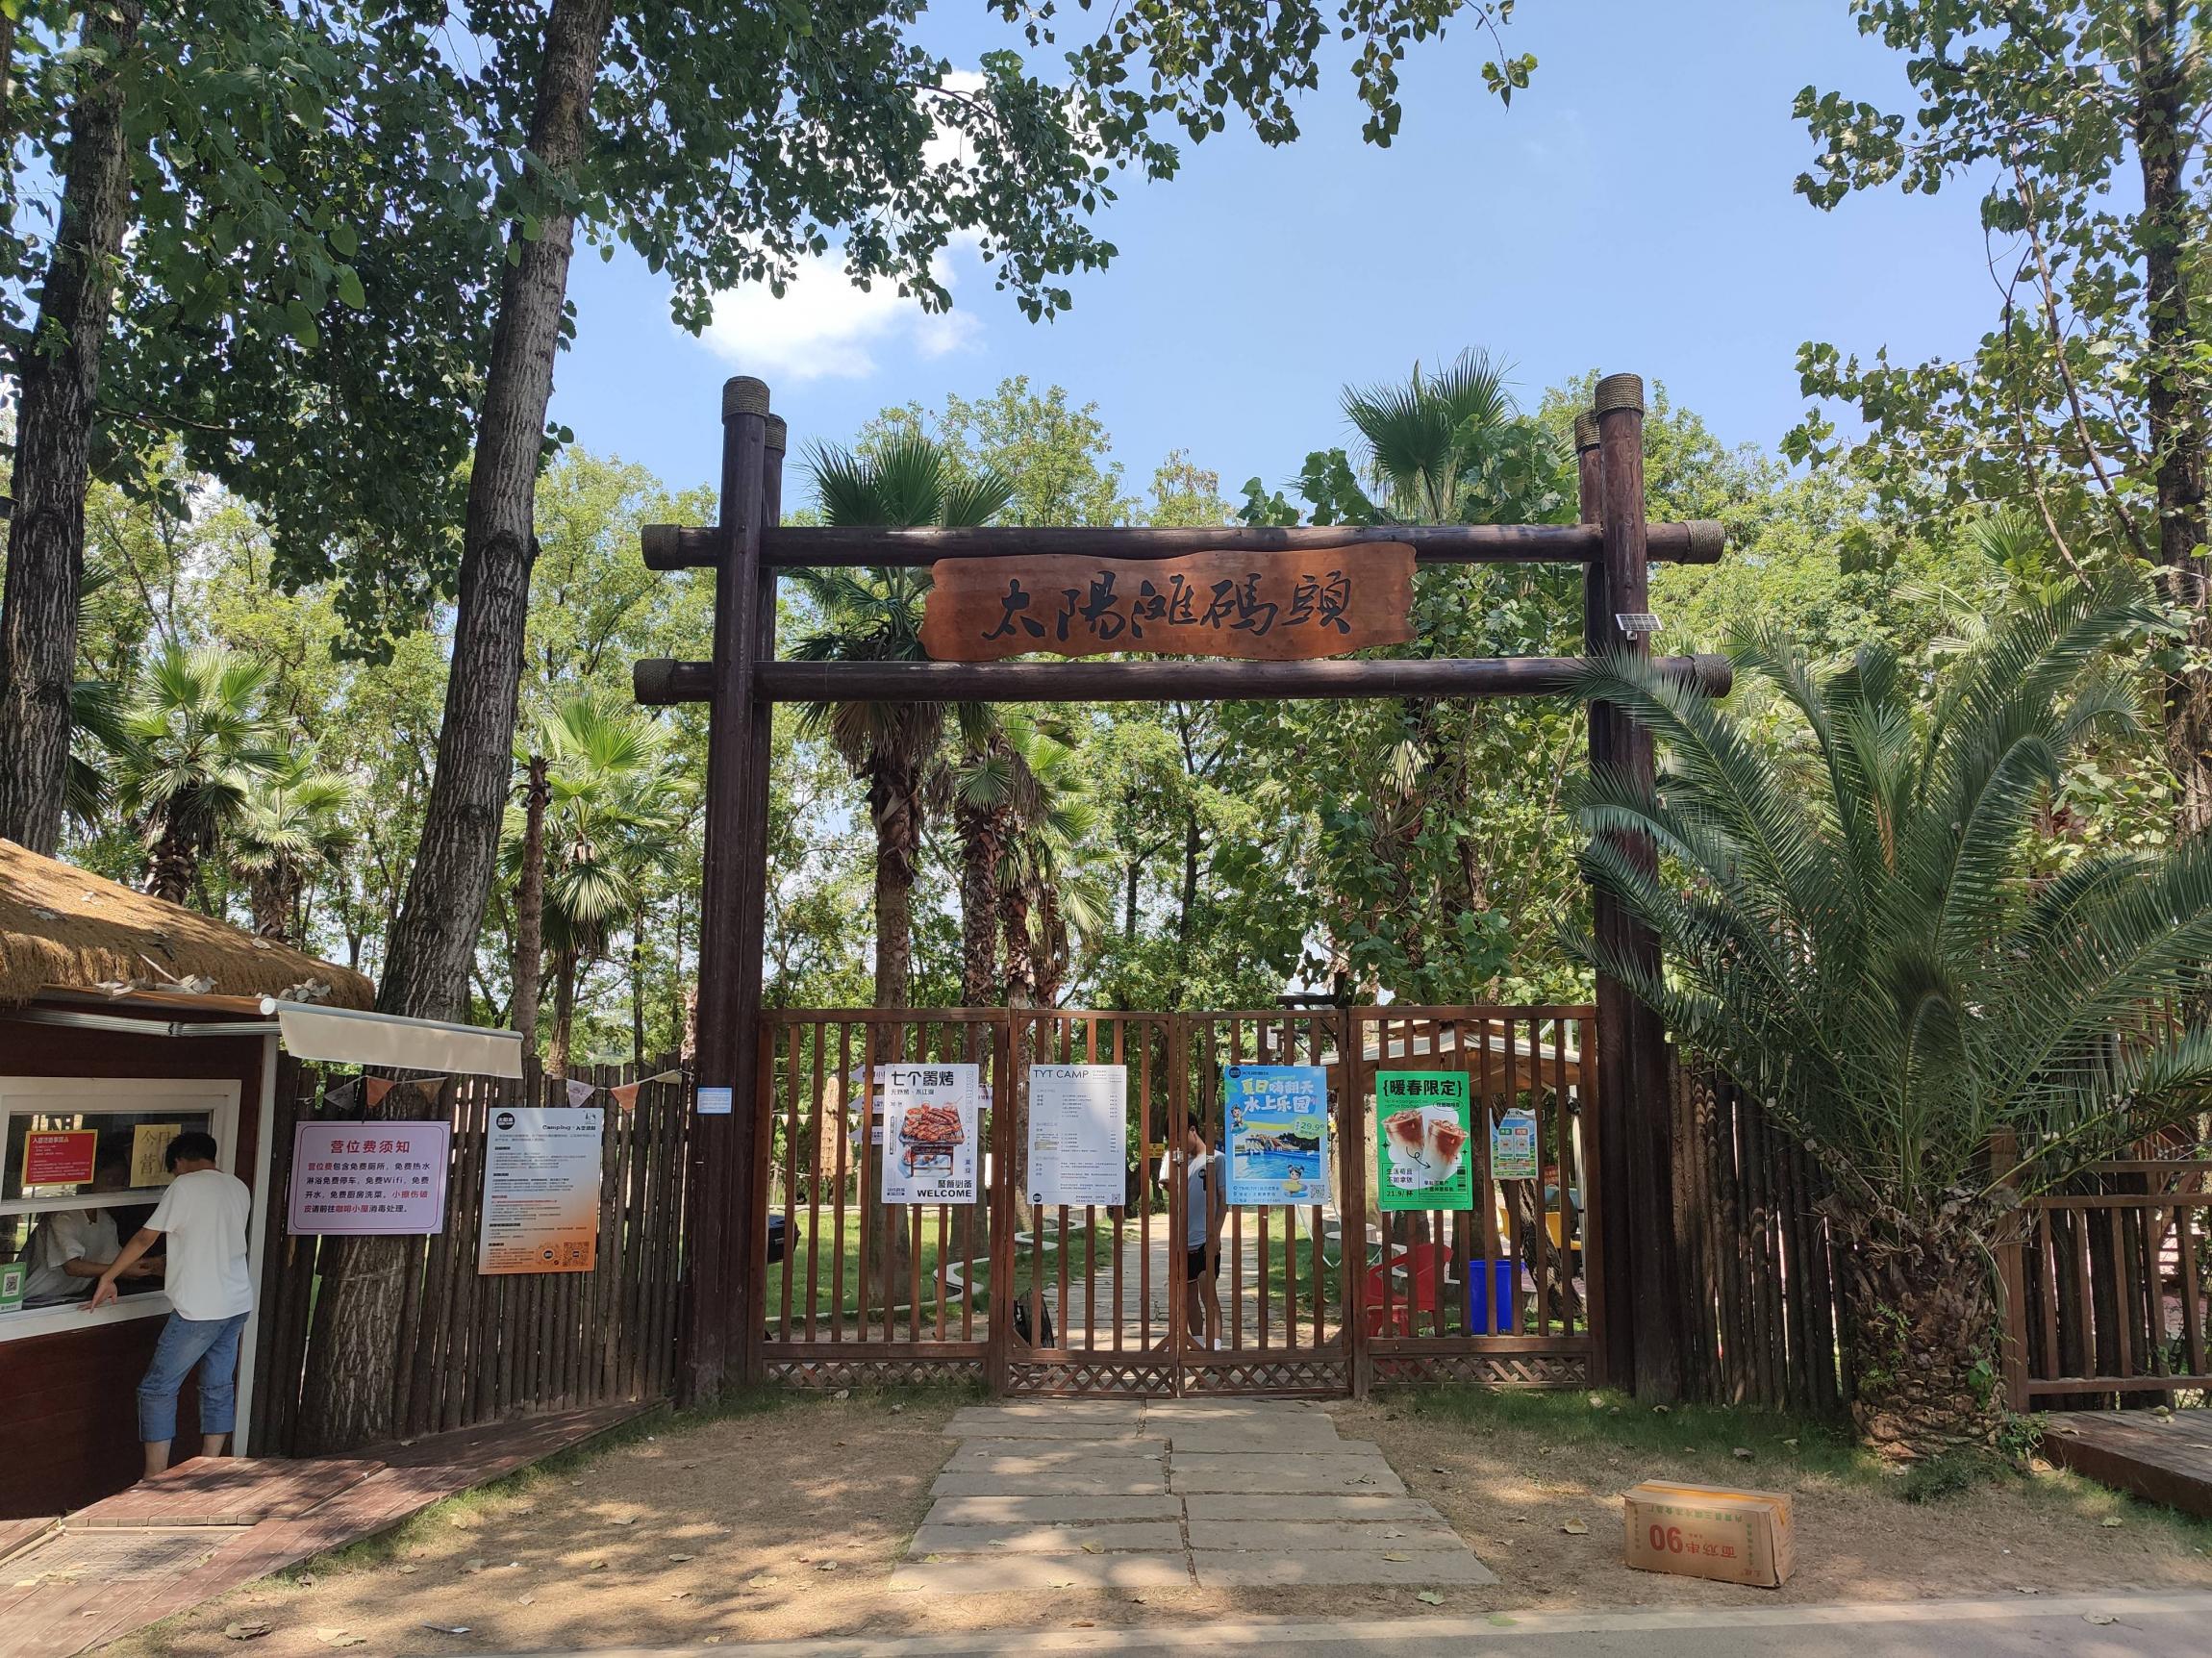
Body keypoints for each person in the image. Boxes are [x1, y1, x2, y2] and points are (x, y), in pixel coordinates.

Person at [88, 1131, 252, 1479]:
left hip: (198, 1308)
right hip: (236, 1302)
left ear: (178, 1162)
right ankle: (210, 1465)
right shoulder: (237, 1186)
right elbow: (208, 1239)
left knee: (157, 1389)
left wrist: (109, 1276)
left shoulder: (185, 1186)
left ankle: (155, 1476)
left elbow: (145, 1237)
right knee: (217, 1385)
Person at [22, 1153, 160, 1303]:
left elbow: (117, 1262)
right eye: (110, 1179)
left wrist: (150, 1265)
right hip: (32, 1297)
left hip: (69, 1297)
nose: (116, 1187)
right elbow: (72, 1267)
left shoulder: (106, 1220)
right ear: (89, 1180)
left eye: (121, 1181)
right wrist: (121, 1269)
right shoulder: (63, 1216)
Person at [1183, 1112, 1227, 1350]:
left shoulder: (1217, 1159)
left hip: (1205, 1239)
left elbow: (1223, 1199)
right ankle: (1199, 1345)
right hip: (1183, 1241)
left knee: (1208, 1294)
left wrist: (1216, 1233)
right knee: (1189, 1297)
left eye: (1179, 1137)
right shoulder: (1179, 1163)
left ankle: (1215, 1348)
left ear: (1193, 1130)